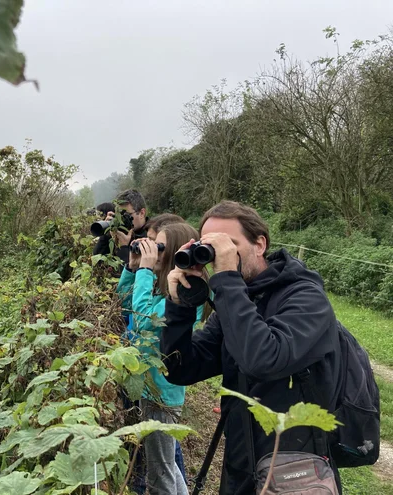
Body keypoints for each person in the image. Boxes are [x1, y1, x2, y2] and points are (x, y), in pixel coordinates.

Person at [161, 201, 342, 495]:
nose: (221, 257)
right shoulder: (238, 301)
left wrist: (226, 281)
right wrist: (179, 307)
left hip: (295, 469)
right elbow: (180, 368)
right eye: (213, 248)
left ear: (260, 244)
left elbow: (263, 359)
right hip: (241, 463)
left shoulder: (306, 297)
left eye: (229, 245)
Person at [118, 223, 207, 495]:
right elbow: (125, 305)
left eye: (159, 247)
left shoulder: (185, 292)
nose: (152, 251)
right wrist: (132, 269)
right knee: (167, 465)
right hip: (151, 388)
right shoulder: (163, 289)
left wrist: (145, 270)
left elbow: (145, 320)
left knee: (159, 475)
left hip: (162, 393)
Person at [93, 190, 148, 265]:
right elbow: (98, 262)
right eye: (119, 214)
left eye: (126, 215)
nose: (121, 219)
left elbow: (135, 273)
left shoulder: (153, 235)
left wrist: (123, 247)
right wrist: (106, 234)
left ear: (142, 213)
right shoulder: (120, 232)